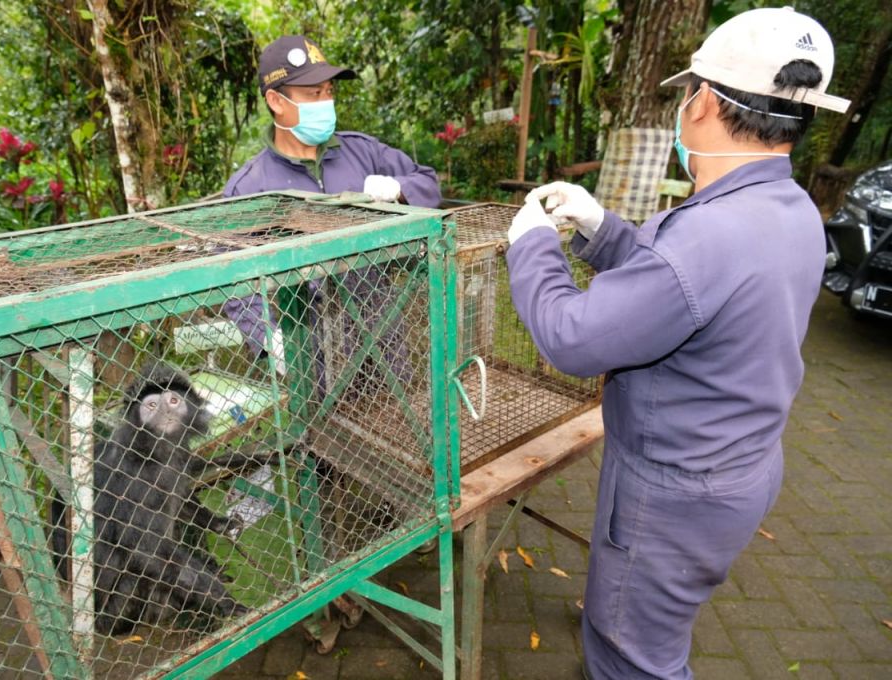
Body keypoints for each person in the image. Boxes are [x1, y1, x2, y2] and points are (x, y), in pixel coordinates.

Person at [504, 8, 849, 679]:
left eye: (688, 91)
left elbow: (572, 339)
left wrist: (533, 249)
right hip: (737, 466)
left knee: (632, 657)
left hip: (672, 494)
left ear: (705, 104)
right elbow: (688, 290)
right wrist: (602, 229)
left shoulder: (712, 233)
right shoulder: (791, 210)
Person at [221, 35, 441, 367]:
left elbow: (428, 183)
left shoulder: (361, 151)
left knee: (397, 413)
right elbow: (230, 277)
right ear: (276, 101)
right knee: (324, 418)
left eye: (328, 92)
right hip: (310, 348)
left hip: (382, 333)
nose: (326, 101)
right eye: (313, 94)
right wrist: (267, 338)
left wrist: (398, 188)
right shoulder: (250, 186)